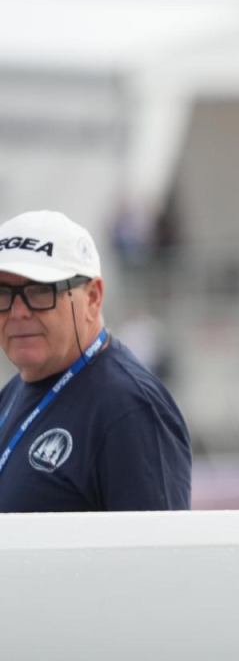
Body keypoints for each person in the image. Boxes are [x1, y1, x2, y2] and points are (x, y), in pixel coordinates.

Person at [0, 210, 191, 511]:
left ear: (92, 298)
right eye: (2, 293)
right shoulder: (12, 394)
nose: (17, 311)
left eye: (40, 292)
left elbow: (158, 554)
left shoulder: (129, 409)